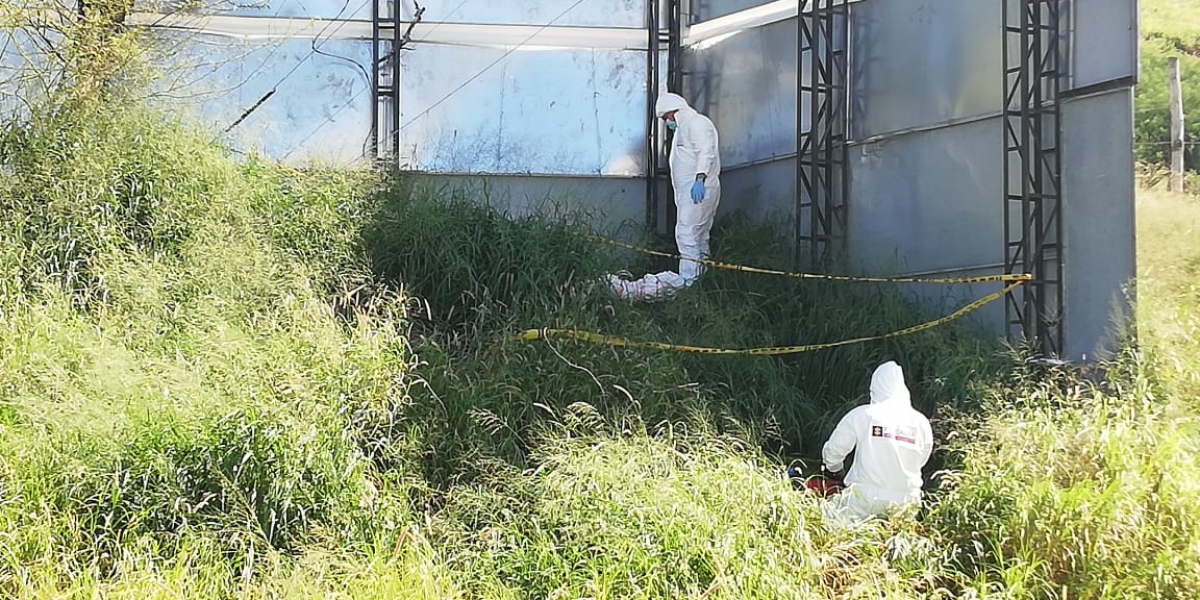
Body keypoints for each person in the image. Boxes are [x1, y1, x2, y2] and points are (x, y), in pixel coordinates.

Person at [609, 92, 721, 301]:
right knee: (698, 236)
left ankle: (689, 283)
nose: (667, 123)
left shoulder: (696, 123)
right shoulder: (684, 129)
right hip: (693, 190)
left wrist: (700, 178)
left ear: (672, 113)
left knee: (687, 233)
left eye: (666, 119)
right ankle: (700, 279)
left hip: (699, 189)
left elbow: (707, 151)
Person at [820, 361, 934, 527]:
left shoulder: (863, 414)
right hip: (907, 503)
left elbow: (833, 452)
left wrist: (837, 471)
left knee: (822, 523)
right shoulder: (921, 422)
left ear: (875, 387)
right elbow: (921, 461)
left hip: (864, 499)